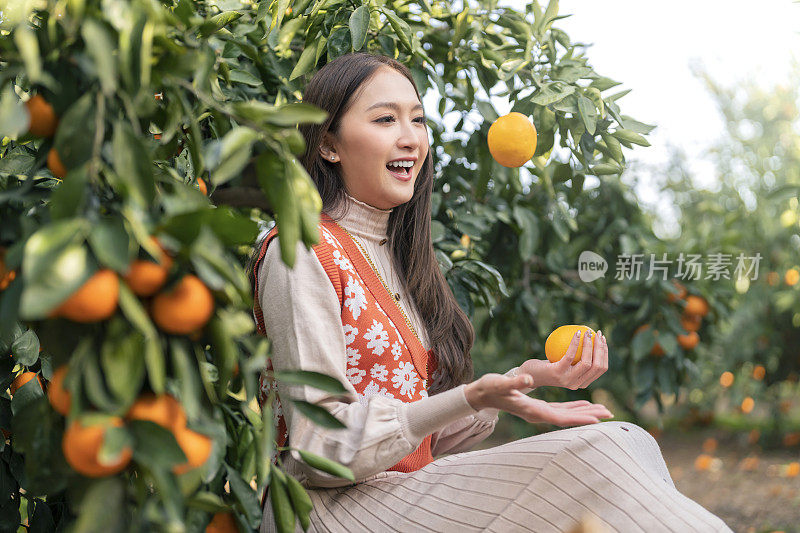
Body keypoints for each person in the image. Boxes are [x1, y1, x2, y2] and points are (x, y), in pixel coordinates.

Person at [250, 52, 733, 533]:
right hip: (325, 510)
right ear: (329, 144)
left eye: (417, 120)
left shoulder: (395, 256)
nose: (410, 138)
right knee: (599, 455)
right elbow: (317, 449)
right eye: (385, 119)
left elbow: (416, 439)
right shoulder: (302, 250)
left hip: (394, 493)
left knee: (627, 442)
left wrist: (516, 383)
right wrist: (472, 394)